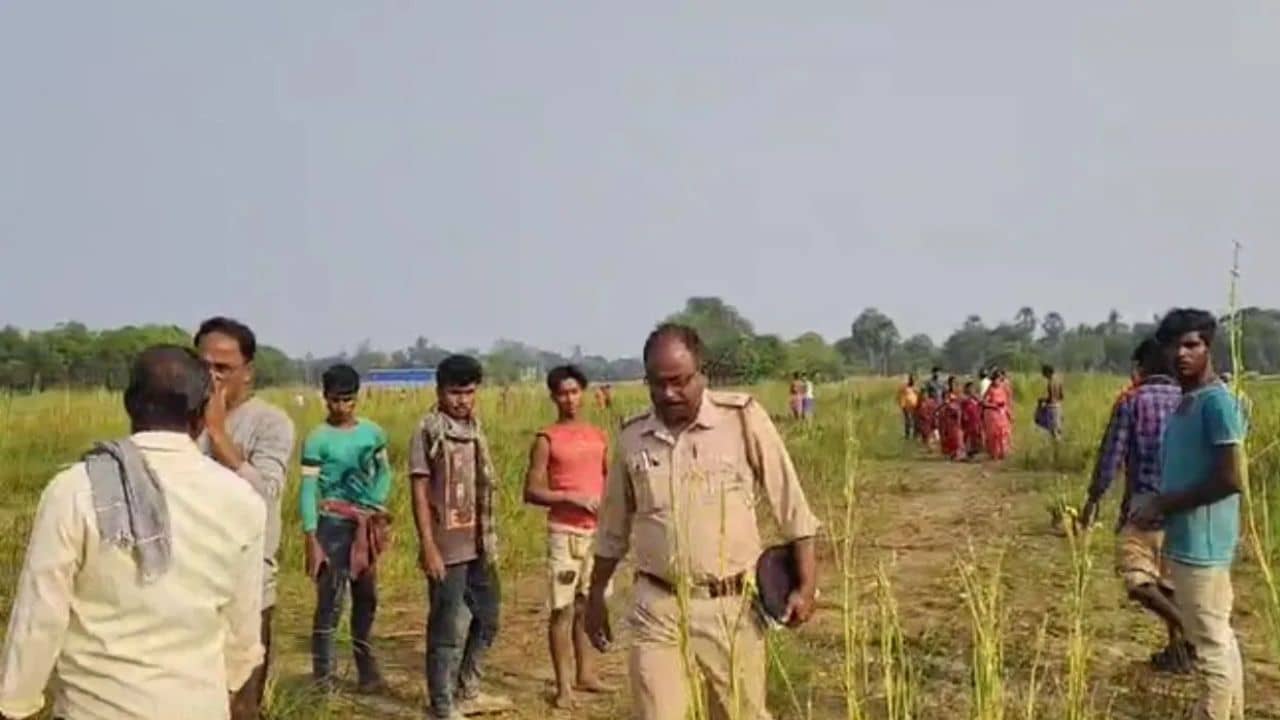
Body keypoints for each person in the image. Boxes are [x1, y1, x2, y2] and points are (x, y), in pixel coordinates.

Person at [0, 346, 266, 720]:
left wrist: (14, 703)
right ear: (205, 413)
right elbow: (242, 633)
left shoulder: (76, 489)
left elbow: (40, 616)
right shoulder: (240, 499)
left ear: (129, 404)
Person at [584, 324, 821, 720]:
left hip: (730, 609)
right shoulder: (632, 437)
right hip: (656, 608)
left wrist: (807, 585)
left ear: (702, 374)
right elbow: (611, 531)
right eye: (657, 384)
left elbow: (792, 506)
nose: (669, 394)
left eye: (679, 382)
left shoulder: (742, 419)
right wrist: (593, 598)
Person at [1133, 309, 1247, 719]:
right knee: (1217, 638)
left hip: (1204, 543)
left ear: (1208, 348)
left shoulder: (1216, 403)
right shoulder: (1188, 401)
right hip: (1185, 540)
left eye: (1191, 345)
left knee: (1210, 647)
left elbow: (1229, 479)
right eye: (1173, 346)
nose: (1181, 354)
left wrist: (1162, 504)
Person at [195, 317, 296, 720]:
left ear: (248, 372)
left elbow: (264, 495)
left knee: (241, 704)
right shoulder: (177, 418)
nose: (212, 377)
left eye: (223, 368)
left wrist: (218, 435)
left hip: (248, 588)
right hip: (190, 584)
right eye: (204, 367)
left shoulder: (270, 423)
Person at [409, 355, 512, 719]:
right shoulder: (429, 431)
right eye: (455, 393)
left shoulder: (474, 429)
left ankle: (468, 689)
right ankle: (441, 703)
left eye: (469, 392)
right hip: (446, 548)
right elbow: (420, 492)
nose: (462, 401)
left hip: (479, 544)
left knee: (488, 618)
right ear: (439, 391)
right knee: (447, 629)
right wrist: (428, 546)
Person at [1080, 339, 1189, 672]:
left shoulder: (1133, 401)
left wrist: (1093, 499)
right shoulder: (1191, 399)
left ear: (1143, 367)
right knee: (1170, 583)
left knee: (1137, 579)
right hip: (1187, 505)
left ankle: (1189, 631)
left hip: (1147, 504)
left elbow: (1112, 456)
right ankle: (1179, 653)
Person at [522, 365, 614, 710]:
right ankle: (563, 685)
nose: (570, 399)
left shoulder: (597, 435)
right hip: (564, 532)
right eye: (563, 393)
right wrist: (569, 498)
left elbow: (610, 482)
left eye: (575, 392)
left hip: (597, 533)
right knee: (561, 608)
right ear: (553, 396)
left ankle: (586, 674)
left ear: (584, 394)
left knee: (588, 605)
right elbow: (531, 491)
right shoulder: (546, 439)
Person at [300, 364, 393, 694]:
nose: (342, 408)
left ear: (358, 398)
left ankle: (367, 672)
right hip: (332, 527)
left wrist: (375, 501)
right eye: (335, 401)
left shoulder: (372, 433)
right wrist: (311, 536)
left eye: (348, 400)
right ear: (325, 399)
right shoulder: (317, 440)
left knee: (366, 600)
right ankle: (323, 681)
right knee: (330, 605)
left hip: (363, 527)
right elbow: (309, 490)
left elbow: (384, 471)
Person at [982, 369, 1013, 460]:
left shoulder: (1003, 388)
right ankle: (994, 453)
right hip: (993, 415)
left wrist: (1009, 413)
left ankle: (1003, 453)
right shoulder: (990, 389)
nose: (998, 381)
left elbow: (1007, 402)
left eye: (1000, 379)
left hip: (1002, 414)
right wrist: (994, 405)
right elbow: (984, 402)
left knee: (1004, 433)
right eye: (996, 379)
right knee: (994, 435)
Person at [936, 376, 965, 460]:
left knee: (958, 434)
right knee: (951, 434)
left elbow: (961, 402)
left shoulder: (958, 393)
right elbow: (945, 402)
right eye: (952, 383)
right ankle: (951, 452)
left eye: (955, 383)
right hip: (949, 416)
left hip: (957, 416)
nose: (953, 384)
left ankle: (958, 452)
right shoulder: (947, 393)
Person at [1036, 364, 1065, 439]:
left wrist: (1042, 400)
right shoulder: (1059, 380)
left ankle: (1057, 448)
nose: (1043, 374)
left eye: (1044, 372)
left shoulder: (1050, 382)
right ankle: (1057, 447)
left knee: (1053, 432)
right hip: (1058, 406)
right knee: (1057, 430)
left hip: (1052, 409)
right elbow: (1062, 396)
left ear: (1048, 372)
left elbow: (1051, 399)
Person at [960, 381, 984, 458]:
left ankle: (974, 450)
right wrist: (964, 416)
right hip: (968, 419)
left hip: (976, 418)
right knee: (968, 435)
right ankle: (968, 451)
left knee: (976, 434)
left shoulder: (975, 397)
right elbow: (961, 408)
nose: (971, 390)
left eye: (972, 388)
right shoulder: (964, 398)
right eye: (970, 388)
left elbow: (982, 403)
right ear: (966, 389)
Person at [897, 374, 919, 440]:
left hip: (915, 407)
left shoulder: (915, 388)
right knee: (908, 421)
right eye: (911, 379)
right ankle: (907, 435)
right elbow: (900, 396)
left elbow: (919, 395)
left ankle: (915, 435)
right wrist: (902, 405)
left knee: (916, 421)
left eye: (913, 380)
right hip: (907, 407)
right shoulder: (904, 387)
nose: (912, 381)